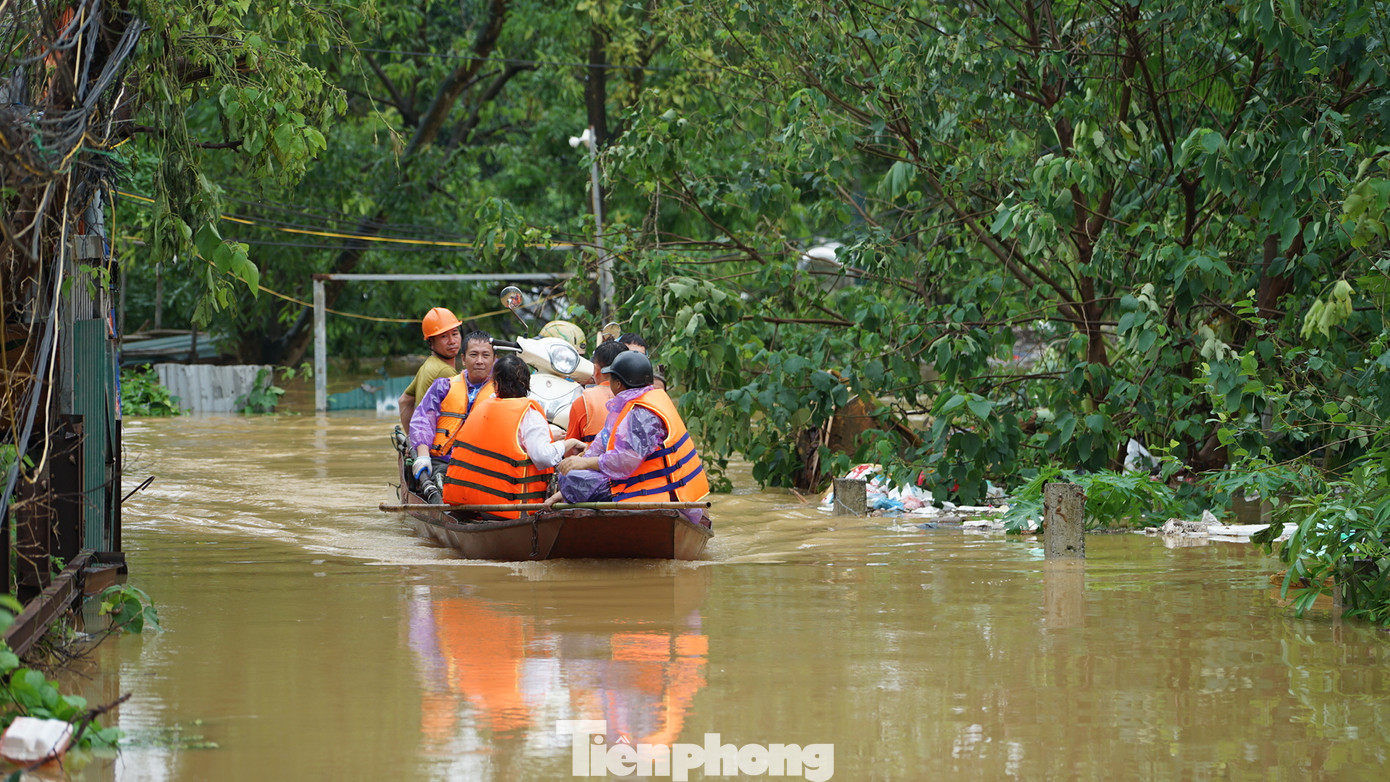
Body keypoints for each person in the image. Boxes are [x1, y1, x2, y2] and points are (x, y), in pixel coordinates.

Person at [545, 351, 710, 525]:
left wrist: (584, 464)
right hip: (650, 485)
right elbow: (599, 447)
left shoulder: (641, 414)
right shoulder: (633, 405)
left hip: (656, 493)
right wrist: (564, 488)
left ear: (617, 384)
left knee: (572, 478)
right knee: (571, 477)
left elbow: (624, 461)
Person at [442, 355, 584, 517]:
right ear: (526, 384)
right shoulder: (529, 414)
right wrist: (568, 443)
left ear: (495, 384)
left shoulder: (483, 405)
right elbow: (543, 457)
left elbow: (503, 439)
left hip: (466, 501)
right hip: (506, 509)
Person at [410, 331, 497, 498]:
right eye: (474, 355)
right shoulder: (443, 386)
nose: (479, 361)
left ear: (493, 360)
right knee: (441, 477)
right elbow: (423, 420)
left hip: (483, 465)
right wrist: (422, 455)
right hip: (444, 463)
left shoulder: (502, 391)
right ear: (463, 359)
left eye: (485, 355)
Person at [399, 308, 462, 429]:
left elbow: (404, 401)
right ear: (431, 342)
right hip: (439, 443)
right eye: (444, 336)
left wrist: (412, 441)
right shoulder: (445, 371)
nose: (452, 341)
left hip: (425, 443)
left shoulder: (427, 365)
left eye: (454, 334)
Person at [564, 340, 628, 445]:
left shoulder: (583, 402)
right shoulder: (642, 395)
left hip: (593, 461)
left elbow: (570, 450)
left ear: (596, 370)